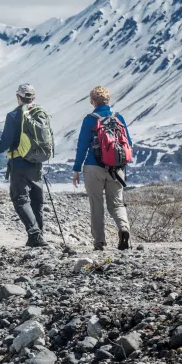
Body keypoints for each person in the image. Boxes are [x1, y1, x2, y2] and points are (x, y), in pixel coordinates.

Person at [0, 84, 48, 247]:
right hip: (37, 163)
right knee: (36, 200)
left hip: (19, 163)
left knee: (19, 199)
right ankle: (39, 234)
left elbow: (5, 142)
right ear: (33, 98)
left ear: (18, 97)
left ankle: (34, 235)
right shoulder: (40, 114)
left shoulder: (13, 115)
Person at [73, 86, 132, 251]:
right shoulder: (118, 117)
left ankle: (99, 242)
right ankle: (124, 228)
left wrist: (76, 169)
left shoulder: (90, 119)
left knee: (96, 204)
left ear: (92, 101)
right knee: (117, 204)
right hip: (116, 168)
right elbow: (129, 143)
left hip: (93, 167)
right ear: (108, 100)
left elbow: (82, 146)